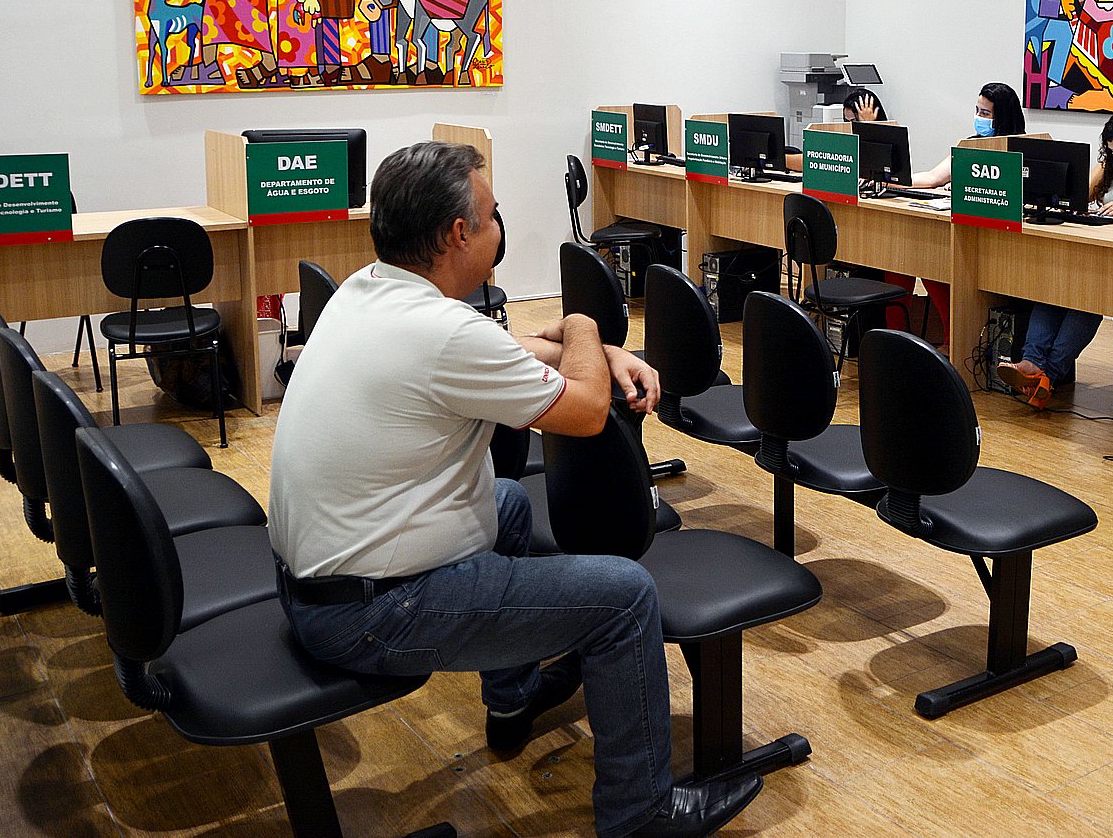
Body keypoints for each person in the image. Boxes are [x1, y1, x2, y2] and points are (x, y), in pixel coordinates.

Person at [268, 141, 760, 838]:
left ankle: (512, 697)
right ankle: (641, 814)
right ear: (458, 235)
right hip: (372, 611)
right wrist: (590, 327)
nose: (503, 228)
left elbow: (503, 350)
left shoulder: (369, 292)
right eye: (495, 216)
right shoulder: (438, 333)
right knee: (624, 597)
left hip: (318, 579)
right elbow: (587, 411)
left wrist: (601, 353)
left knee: (507, 503)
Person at [997, 110, 1113, 408]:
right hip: (1100, 253)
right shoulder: (1109, 167)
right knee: (1051, 288)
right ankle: (1032, 364)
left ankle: (1047, 375)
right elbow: (1076, 195)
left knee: (1091, 300)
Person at [912, 81, 1027, 188]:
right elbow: (933, 177)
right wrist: (895, 180)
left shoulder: (1022, 151)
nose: (978, 116)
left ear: (1003, 119)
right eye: (977, 111)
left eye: (985, 113)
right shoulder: (969, 145)